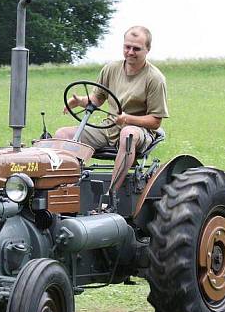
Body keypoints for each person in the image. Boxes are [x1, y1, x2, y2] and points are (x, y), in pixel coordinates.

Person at [54, 26, 169, 192]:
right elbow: (97, 99)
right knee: (62, 135)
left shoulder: (155, 79)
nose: (130, 52)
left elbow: (155, 121)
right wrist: (80, 101)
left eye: (136, 49)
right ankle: (65, 189)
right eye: (127, 47)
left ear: (147, 49)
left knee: (127, 133)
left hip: (140, 132)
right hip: (110, 127)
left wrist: (128, 119)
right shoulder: (111, 69)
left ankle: (111, 194)